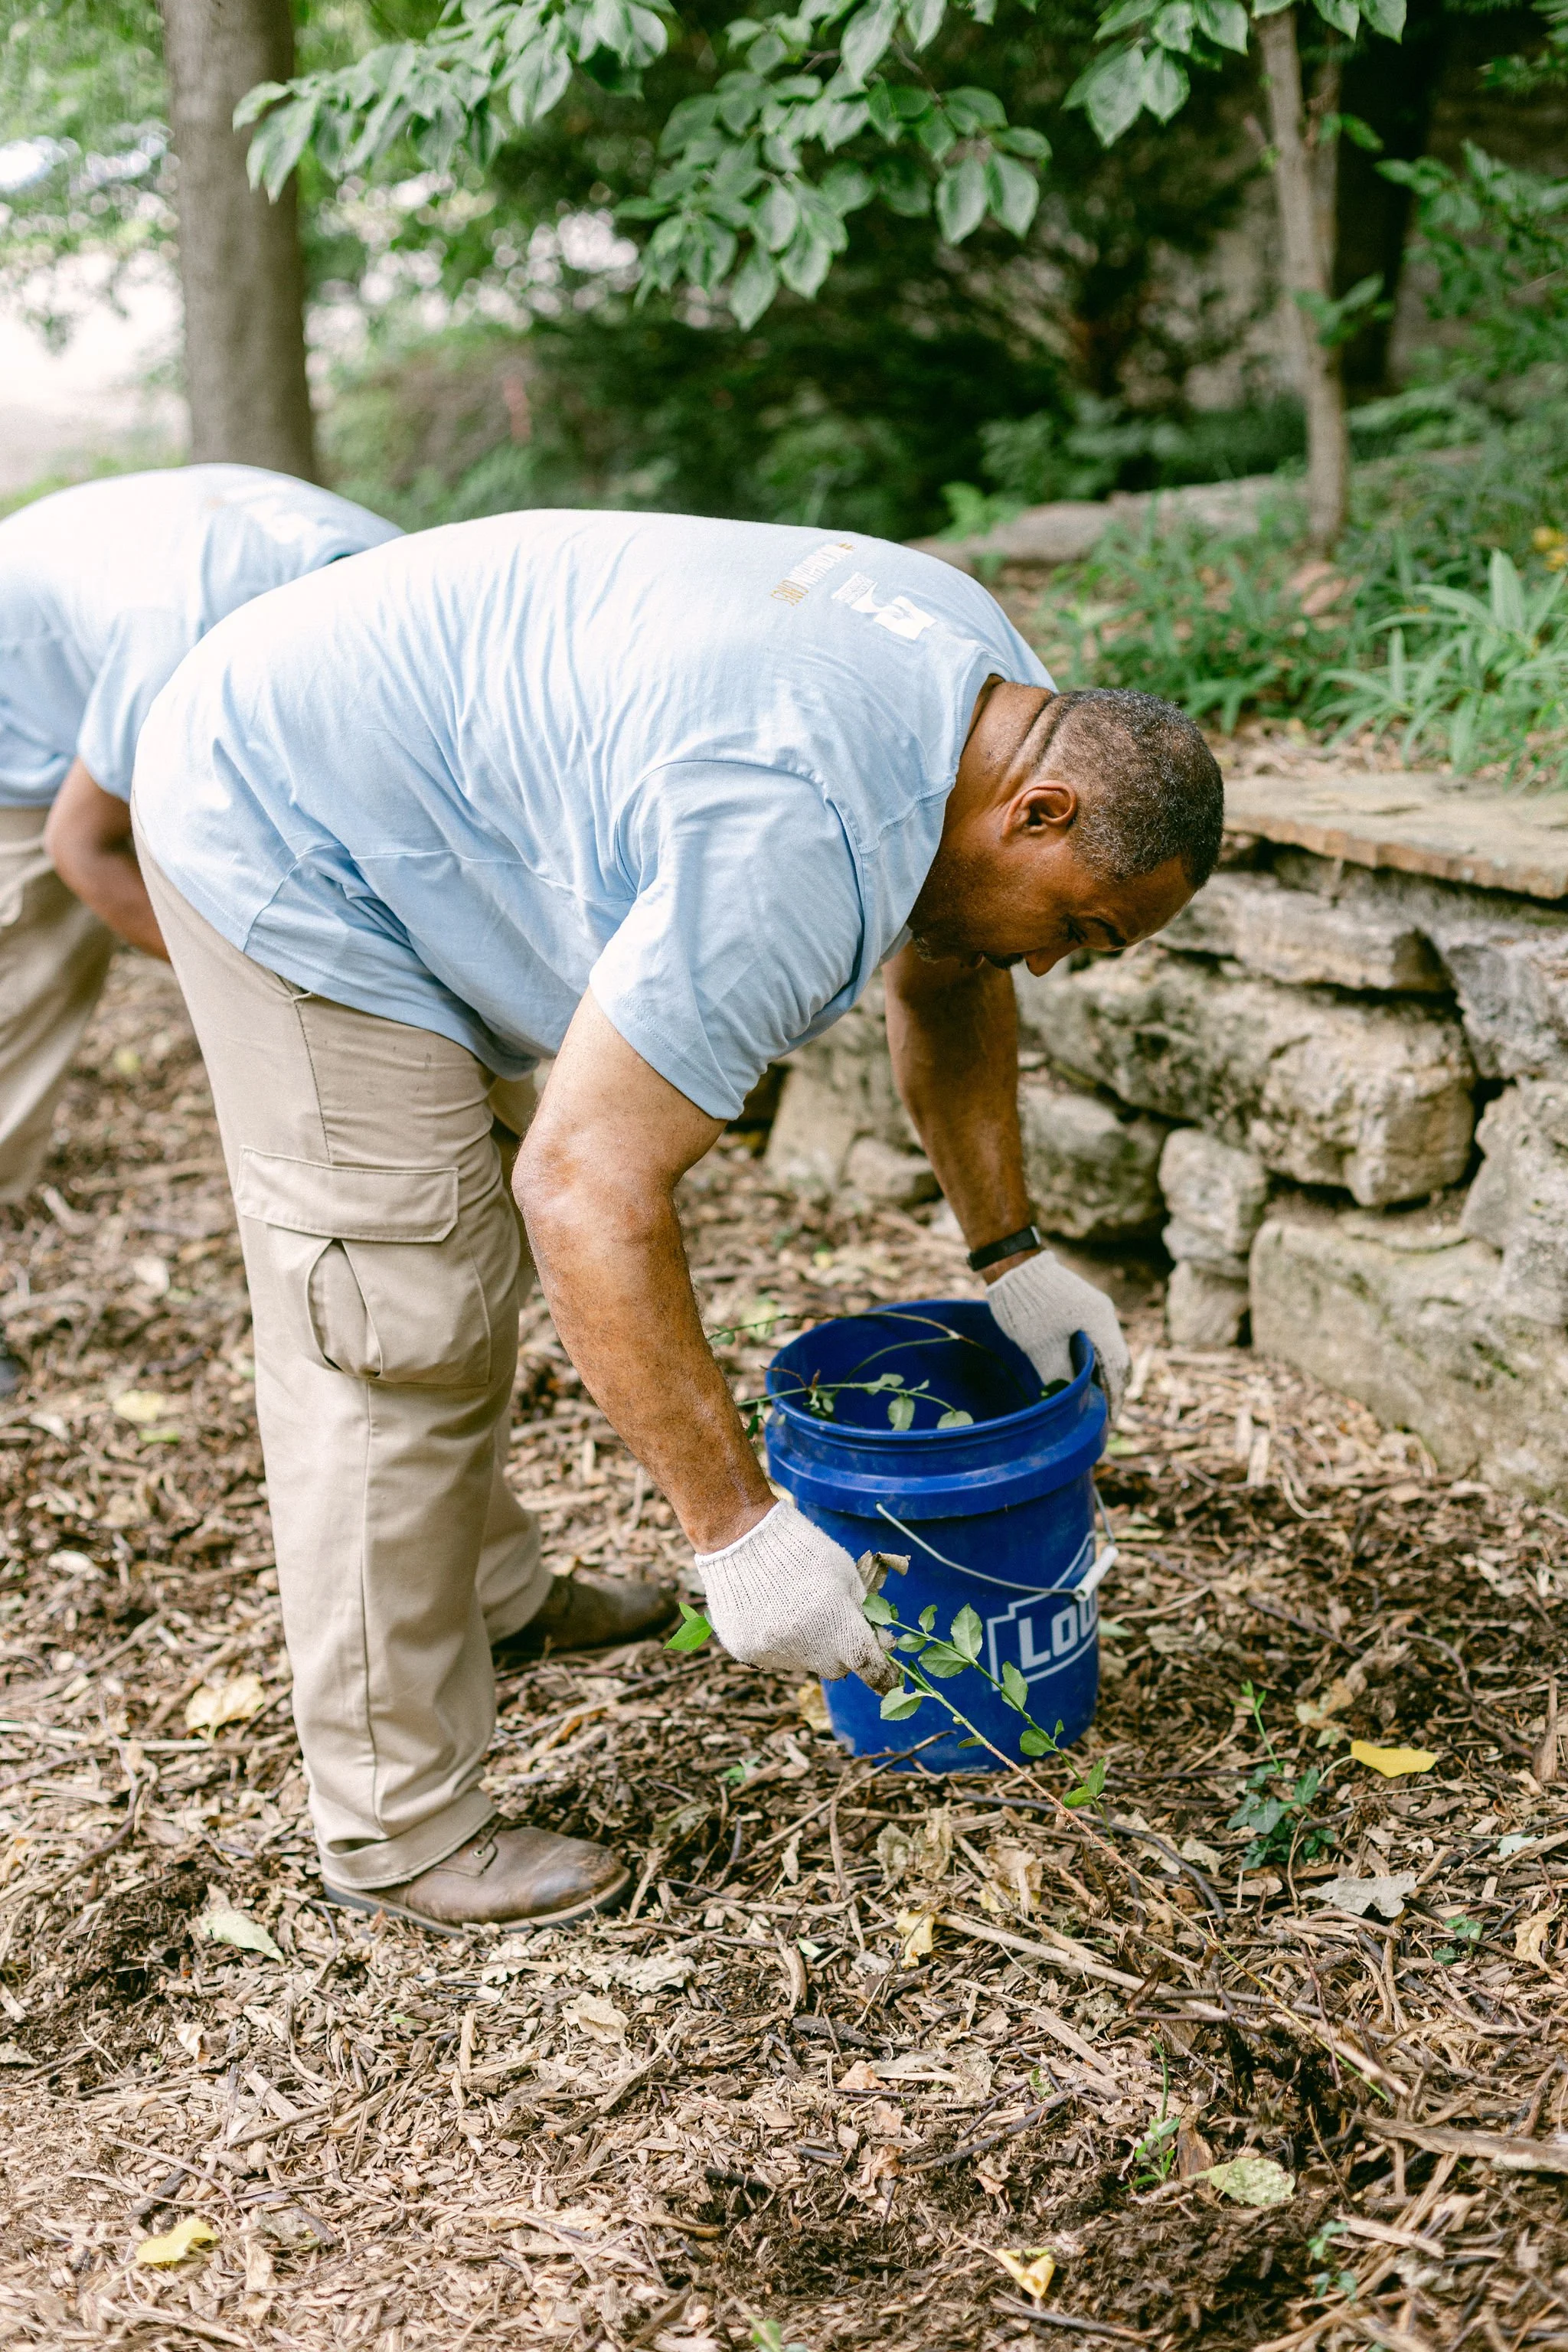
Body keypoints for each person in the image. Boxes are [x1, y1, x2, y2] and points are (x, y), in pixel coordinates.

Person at [131, 509, 1223, 1934]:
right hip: (285, 813)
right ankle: (395, 1831)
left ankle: (496, 1595)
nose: (1058, 963)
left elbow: (948, 976)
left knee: (464, 1262)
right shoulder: (796, 831)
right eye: (1078, 925)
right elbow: (586, 1190)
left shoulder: (994, 699)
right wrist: (739, 1534)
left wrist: (1009, 1256)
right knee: (398, 1318)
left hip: (421, 788)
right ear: (1042, 812)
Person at [0, 466, 403, 1388]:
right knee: (23, 989)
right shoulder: (184, 626)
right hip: (18, 728)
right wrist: (257, 995)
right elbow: (86, 844)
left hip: (100, 642)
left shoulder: (393, 582)